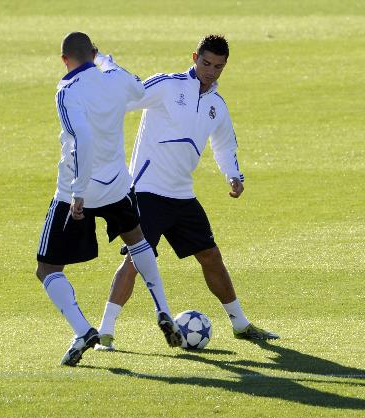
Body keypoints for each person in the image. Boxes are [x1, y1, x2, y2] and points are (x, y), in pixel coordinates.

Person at [95, 34, 278, 351]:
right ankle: (105, 332)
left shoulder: (216, 106)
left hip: (182, 195)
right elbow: (128, 96)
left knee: (211, 256)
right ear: (195, 57)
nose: (211, 71)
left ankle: (240, 324)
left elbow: (223, 144)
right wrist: (104, 65)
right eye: (206, 63)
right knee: (136, 262)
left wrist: (233, 175)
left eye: (218, 66)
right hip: (147, 192)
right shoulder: (167, 85)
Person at [36, 32, 181, 366]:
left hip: (78, 188)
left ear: (64, 59)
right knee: (137, 241)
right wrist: (108, 64)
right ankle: (163, 308)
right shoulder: (114, 77)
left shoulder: (66, 90)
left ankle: (83, 330)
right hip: (118, 184)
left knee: (47, 268)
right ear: (94, 53)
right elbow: (138, 88)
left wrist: (79, 193)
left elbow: (83, 136)